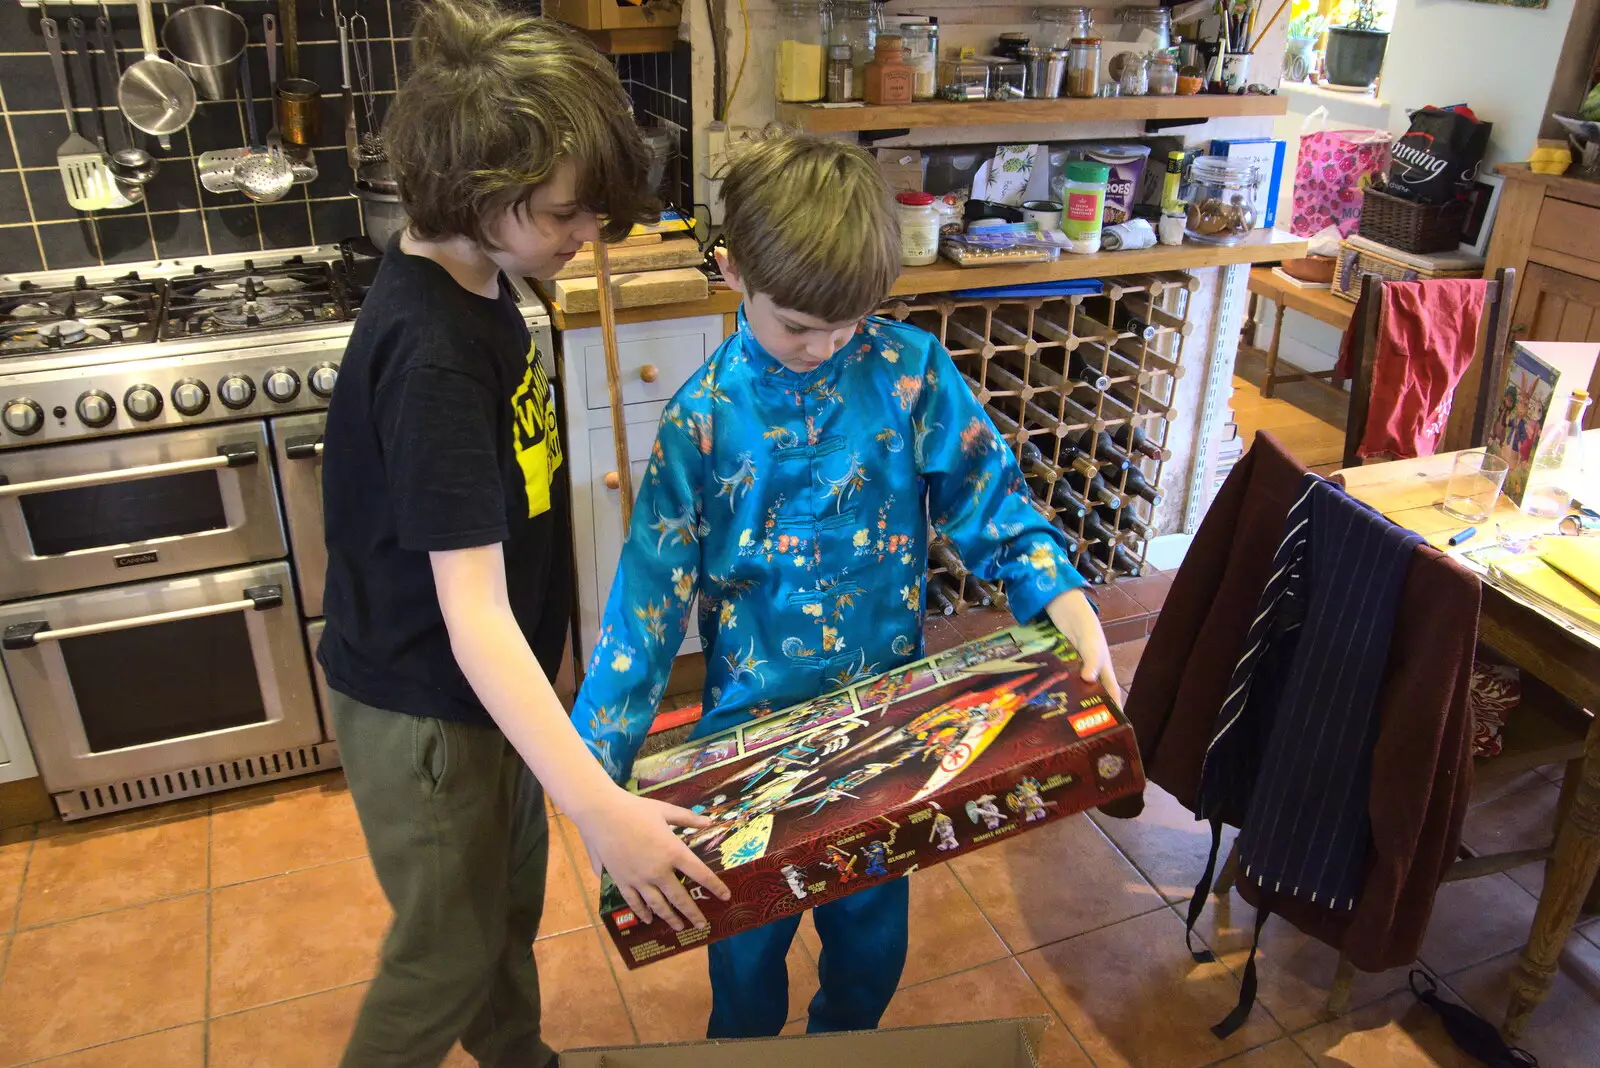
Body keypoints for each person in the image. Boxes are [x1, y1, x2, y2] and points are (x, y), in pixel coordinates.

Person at [570, 132, 1117, 1040]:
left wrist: (1063, 598)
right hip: (749, 739)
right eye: (797, 325)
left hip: (888, 727)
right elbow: (644, 614)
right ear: (733, 268)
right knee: (743, 959)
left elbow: (992, 498)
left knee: (871, 950)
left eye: (848, 322)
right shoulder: (699, 421)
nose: (824, 345)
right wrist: (600, 791)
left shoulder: (907, 370)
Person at [316, 3, 728, 1065]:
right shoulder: (434, 355)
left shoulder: (490, 281)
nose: (586, 234)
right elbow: (471, 617)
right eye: (563, 214)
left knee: (498, 910)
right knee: (443, 952)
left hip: (489, 701)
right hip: (426, 712)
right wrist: (597, 806)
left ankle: (518, 1059)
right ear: (476, 194)